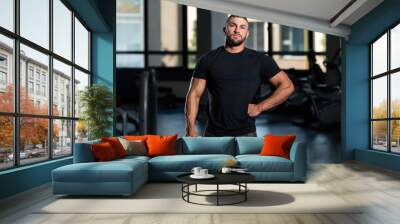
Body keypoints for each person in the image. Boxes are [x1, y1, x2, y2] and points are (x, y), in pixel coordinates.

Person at [185, 15, 295, 137]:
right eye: (233, 25)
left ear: (247, 33)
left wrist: (260, 107)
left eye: (242, 27)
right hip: (213, 134)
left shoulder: (260, 60)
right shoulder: (208, 59)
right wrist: (190, 128)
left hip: (247, 134)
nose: (237, 30)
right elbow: (194, 95)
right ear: (225, 29)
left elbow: (287, 86)